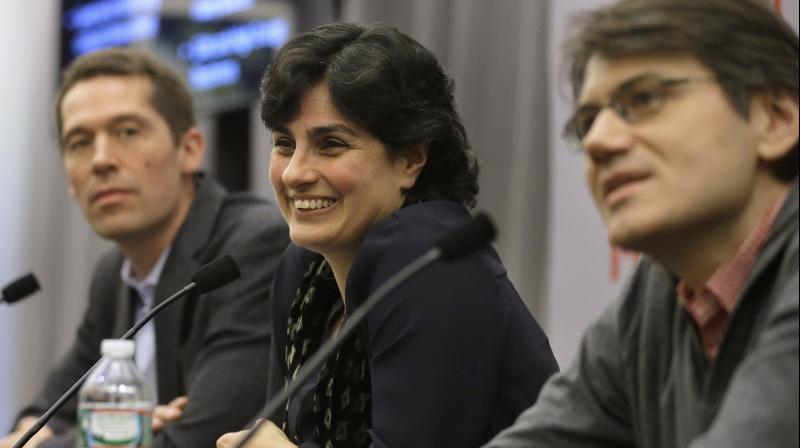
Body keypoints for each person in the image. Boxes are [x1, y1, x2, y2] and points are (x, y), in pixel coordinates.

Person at [216, 22, 559, 448]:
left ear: (409, 159)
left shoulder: (428, 259)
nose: (294, 173)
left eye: (331, 145)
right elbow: (276, 431)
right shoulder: (304, 272)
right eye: (284, 144)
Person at [485, 0, 799, 447]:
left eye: (645, 98)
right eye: (588, 121)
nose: (597, 142)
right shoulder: (658, 291)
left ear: (777, 119)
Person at [1, 48, 289, 447]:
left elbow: (200, 440)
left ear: (189, 149)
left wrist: (72, 440)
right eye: (80, 142)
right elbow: (45, 411)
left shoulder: (247, 249)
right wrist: (125, 432)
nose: (101, 161)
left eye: (128, 132)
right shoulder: (114, 273)